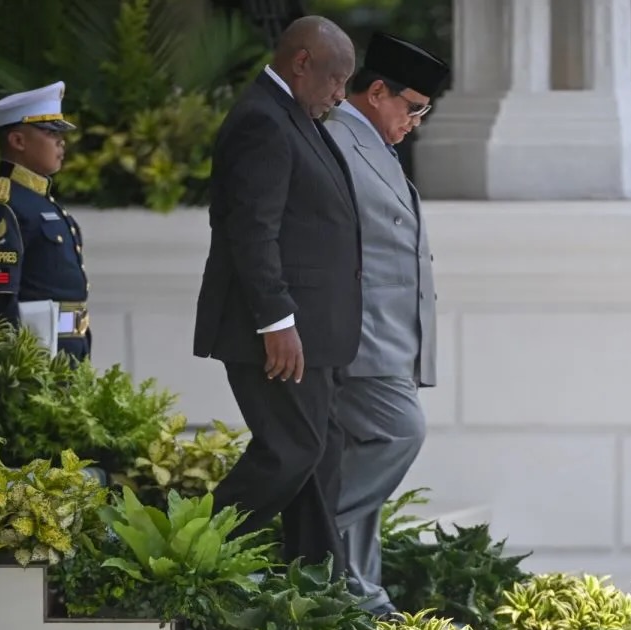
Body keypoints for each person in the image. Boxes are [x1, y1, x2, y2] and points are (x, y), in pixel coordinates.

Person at [192, 15, 361, 573]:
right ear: (302, 62)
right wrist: (276, 321)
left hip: (311, 335)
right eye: (337, 79)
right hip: (274, 333)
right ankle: (184, 558)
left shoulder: (292, 114)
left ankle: (318, 584)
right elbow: (251, 230)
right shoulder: (262, 120)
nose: (341, 95)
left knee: (318, 456)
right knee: (291, 451)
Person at [322, 31, 449, 618]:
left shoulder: (371, 143)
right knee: (400, 434)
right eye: (412, 107)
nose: (415, 123)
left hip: (392, 340)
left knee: (370, 457)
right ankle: (308, 537)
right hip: (362, 338)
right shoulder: (335, 139)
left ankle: (359, 593)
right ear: (377, 92)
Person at [0, 81, 90, 361]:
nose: (61, 141)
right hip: (35, 358)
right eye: (50, 132)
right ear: (18, 141)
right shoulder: (0, 207)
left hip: (66, 352)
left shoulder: (40, 202)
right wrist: (12, 369)